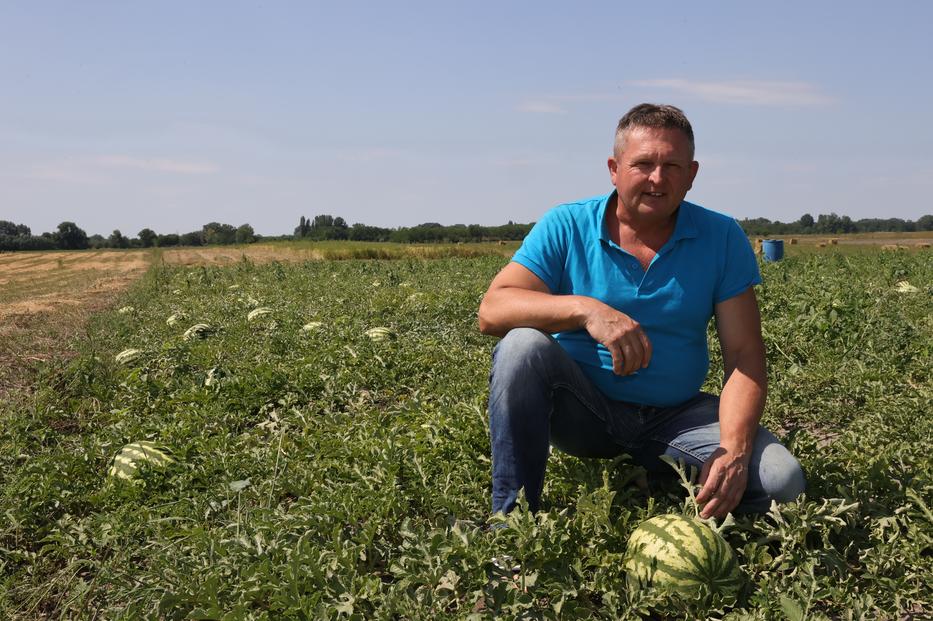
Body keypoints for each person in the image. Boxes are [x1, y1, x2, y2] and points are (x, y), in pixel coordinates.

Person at [478, 103, 805, 520]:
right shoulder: (567, 225)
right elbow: (493, 309)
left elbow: (744, 355)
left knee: (783, 483)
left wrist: (735, 451)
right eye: (643, 163)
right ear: (614, 169)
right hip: (586, 414)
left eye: (672, 165)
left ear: (692, 174)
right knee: (521, 346)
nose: (657, 178)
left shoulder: (721, 236)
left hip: (678, 416)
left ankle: (668, 473)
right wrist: (586, 310)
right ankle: (511, 522)